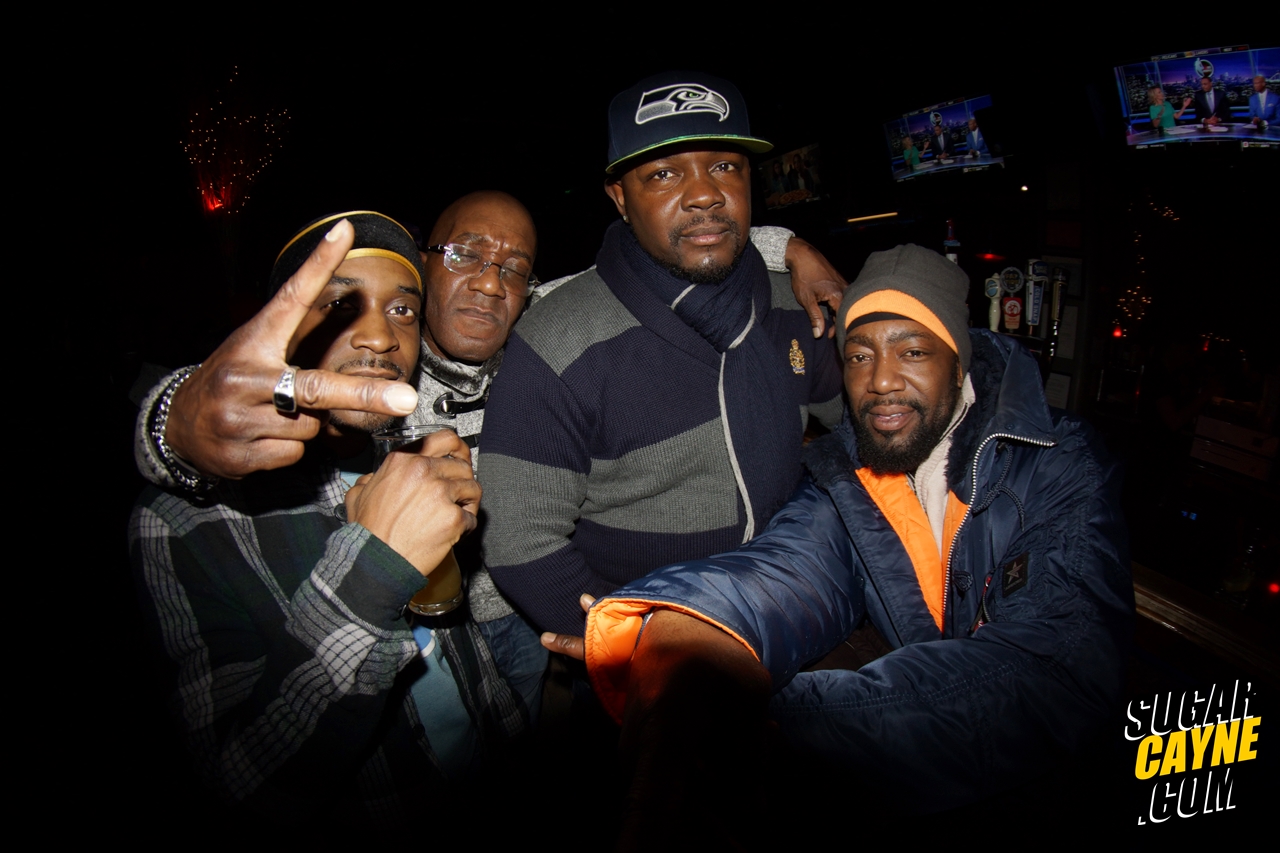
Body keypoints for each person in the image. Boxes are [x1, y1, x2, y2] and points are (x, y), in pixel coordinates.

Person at [570, 243, 1134, 819]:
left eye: (912, 351)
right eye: (859, 355)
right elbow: (789, 569)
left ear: (959, 362)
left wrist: (764, 723)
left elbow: (1054, 672)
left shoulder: (1057, 462)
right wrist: (679, 629)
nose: (880, 380)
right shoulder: (851, 468)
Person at [130, 213, 526, 827]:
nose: (380, 336)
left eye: (403, 310)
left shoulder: (412, 456)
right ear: (282, 334)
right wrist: (377, 564)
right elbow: (250, 783)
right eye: (341, 306)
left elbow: (454, 643)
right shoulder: (185, 520)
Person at [477, 72, 846, 636]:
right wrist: (635, 646)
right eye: (664, 174)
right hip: (651, 648)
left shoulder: (792, 303)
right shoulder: (558, 338)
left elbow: (863, 431)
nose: (704, 194)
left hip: (792, 614)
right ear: (620, 199)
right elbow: (518, 540)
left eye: (725, 166)